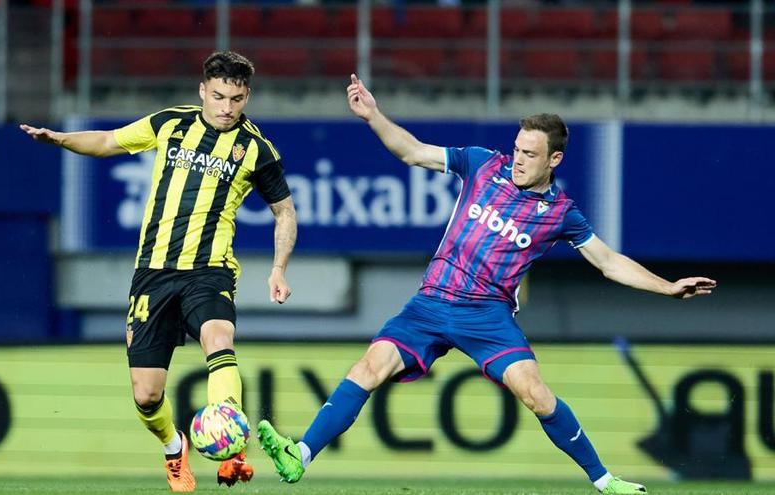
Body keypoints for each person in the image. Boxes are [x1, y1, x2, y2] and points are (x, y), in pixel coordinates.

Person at [257, 74, 716, 495]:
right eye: (517, 148)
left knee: (536, 395)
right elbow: (413, 151)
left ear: (554, 159)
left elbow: (609, 262)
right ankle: (300, 456)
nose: (518, 159)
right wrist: (374, 116)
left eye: (530, 154)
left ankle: (604, 479)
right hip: (430, 301)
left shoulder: (561, 214)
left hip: (487, 316)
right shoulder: (480, 164)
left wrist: (667, 287)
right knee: (367, 369)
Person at [21, 51, 297, 493]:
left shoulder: (257, 151)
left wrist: (278, 268)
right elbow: (110, 141)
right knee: (146, 396)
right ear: (203, 90)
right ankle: (174, 447)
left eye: (237, 99)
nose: (227, 108)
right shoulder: (171, 123)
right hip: (152, 272)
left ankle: (232, 450)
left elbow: (284, 213)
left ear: (248, 97)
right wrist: (60, 140)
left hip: (210, 269)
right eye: (220, 96)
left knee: (218, 337)